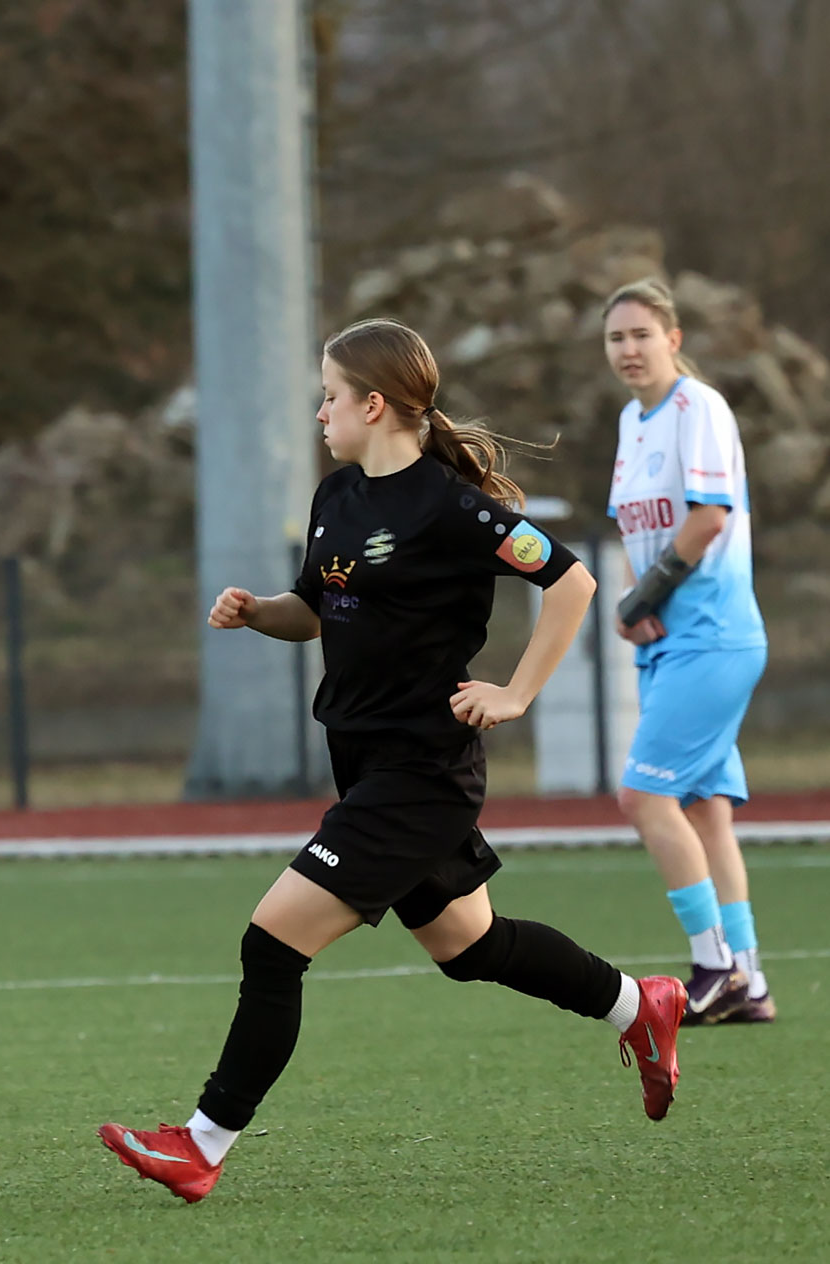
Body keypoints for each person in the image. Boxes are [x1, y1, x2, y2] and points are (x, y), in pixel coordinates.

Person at [98, 318, 687, 1205]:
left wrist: (516, 692)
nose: (320, 413)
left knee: (271, 943)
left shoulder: (453, 508)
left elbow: (572, 582)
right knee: (469, 945)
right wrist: (259, 612)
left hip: (421, 773)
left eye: (330, 396)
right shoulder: (336, 494)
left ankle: (203, 1143)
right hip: (365, 759)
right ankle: (640, 1006)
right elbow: (315, 607)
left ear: (373, 405)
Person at [602, 280, 773, 1024]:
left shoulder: (697, 406)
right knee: (704, 811)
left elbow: (707, 519)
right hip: (671, 644)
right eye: (616, 338)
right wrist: (636, 605)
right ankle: (749, 981)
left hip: (713, 634)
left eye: (642, 333)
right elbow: (633, 528)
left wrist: (641, 598)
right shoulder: (631, 420)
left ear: (673, 338)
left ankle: (714, 966)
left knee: (644, 796)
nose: (629, 349)